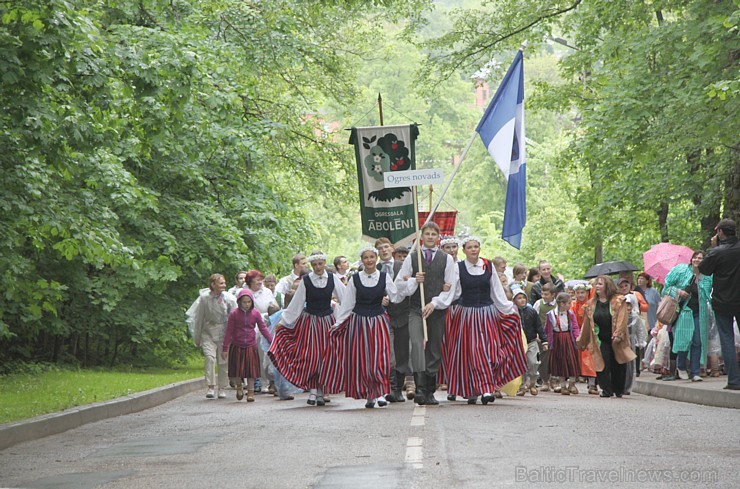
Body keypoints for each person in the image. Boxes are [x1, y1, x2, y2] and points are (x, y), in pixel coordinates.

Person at [440, 237, 527, 404]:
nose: (473, 250)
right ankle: (478, 389)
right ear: (464, 250)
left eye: (476, 246)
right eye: (470, 247)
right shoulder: (458, 268)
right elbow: (455, 293)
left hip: (487, 314)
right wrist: (441, 300)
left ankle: (486, 387)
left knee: (491, 350)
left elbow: (496, 291)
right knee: (471, 353)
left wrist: (509, 310)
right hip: (466, 316)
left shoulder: (488, 266)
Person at [322, 245, 403, 408]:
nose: (369, 260)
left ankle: (380, 391)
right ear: (362, 260)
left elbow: (396, 296)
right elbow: (347, 304)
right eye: (366, 258)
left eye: (372, 257)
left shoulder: (384, 277)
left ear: (376, 258)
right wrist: (338, 323)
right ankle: (369, 395)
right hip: (359, 323)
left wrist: (412, 283)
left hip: (378, 321)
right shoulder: (355, 279)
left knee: (380, 358)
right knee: (364, 359)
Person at [269, 251, 345, 406]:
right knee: (312, 356)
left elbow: (345, 298)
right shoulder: (306, 280)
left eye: (320, 264)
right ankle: (312, 390)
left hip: (327, 322)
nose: (317, 267)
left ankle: (322, 391)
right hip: (310, 322)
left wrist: (348, 317)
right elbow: (296, 303)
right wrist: (284, 322)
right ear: (311, 266)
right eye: (314, 264)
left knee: (325, 357)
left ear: (324, 263)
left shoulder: (333, 279)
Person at [395, 221, 456, 406]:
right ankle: (420, 387)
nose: (430, 237)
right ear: (422, 236)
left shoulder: (447, 259)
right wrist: (414, 280)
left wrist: (435, 302)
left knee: (434, 348)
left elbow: (450, 287)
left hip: (436, 311)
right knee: (416, 343)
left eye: (433, 234)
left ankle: (430, 390)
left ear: (438, 237)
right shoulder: (412, 258)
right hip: (416, 309)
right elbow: (400, 285)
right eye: (427, 233)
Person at [577, 275, 635, 398]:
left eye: (600, 284)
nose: (597, 286)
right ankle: (606, 389)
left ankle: (618, 389)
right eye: (596, 284)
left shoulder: (619, 300)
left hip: (615, 337)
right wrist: (582, 340)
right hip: (599, 338)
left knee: (618, 363)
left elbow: (622, 318)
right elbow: (587, 324)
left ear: (607, 286)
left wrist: (618, 333)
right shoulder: (591, 304)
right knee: (602, 362)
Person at [699, 218, 740, 390]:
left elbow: (704, 269)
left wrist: (714, 248)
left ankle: (734, 380)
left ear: (720, 232)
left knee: (727, 339)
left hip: (723, 302)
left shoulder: (717, 252)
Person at [662, 251, 713, 382]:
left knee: (697, 341)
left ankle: (695, 372)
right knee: (684, 339)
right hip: (684, 311)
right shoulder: (680, 270)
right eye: (695, 257)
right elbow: (666, 288)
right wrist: (679, 291)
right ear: (691, 259)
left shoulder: (707, 276)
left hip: (699, 312)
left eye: (700, 258)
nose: (697, 260)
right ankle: (681, 366)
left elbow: (708, 294)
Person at [222, 289, 273, 402]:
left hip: (250, 344)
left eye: (249, 302)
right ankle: (239, 387)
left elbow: (262, 328)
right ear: (239, 302)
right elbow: (229, 331)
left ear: (252, 302)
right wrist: (225, 348)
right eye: (244, 302)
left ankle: (251, 392)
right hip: (237, 345)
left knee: (251, 370)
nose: (246, 304)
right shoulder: (234, 314)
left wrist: (271, 340)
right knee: (238, 370)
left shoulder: (255, 313)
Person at [192, 274, 237, 399]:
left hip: (224, 332)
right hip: (208, 332)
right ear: (213, 284)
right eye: (221, 283)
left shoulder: (229, 298)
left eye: (224, 283)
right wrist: (197, 337)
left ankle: (222, 387)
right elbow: (199, 319)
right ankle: (210, 386)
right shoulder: (204, 299)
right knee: (210, 357)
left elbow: (235, 318)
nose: (224, 285)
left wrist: (234, 336)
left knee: (223, 361)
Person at [375, 238, 408, 403]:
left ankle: (398, 389)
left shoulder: (402, 267)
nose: (384, 250)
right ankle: (391, 387)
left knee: (402, 353)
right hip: (383, 317)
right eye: (380, 248)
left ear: (392, 248)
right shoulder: (373, 268)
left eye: (386, 247)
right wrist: (379, 299)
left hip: (403, 314)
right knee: (389, 354)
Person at [544, 293, 581, 395]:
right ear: (562, 304)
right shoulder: (551, 314)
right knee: (560, 362)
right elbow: (547, 328)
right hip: (557, 339)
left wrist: (577, 338)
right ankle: (563, 385)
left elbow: (574, 326)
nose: (570, 304)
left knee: (571, 361)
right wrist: (544, 339)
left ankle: (572, 383)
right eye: (569, 303)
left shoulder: (570, 314)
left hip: (568, 338)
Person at [513, 287, 547, 396]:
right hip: (518, 343)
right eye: (519, 298)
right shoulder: (512, 312)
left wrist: (544, 340)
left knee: (533, 362)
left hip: (531, 341)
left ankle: (532, 382)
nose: (522, 300)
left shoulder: (531, 311)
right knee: (521, 364)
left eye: (524, 297)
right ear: (514, 300)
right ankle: (523, 386)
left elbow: (539, 326)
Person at [617, 278, 647, 393]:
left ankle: (628, 385)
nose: (628, 308)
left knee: (631, 365)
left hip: (631, 341)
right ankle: (620, 384)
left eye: (626, 285)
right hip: (621, 341)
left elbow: (640, 329)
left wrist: (640, 341)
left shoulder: (635, 317)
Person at [571, 283, 598, 394]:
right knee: (573, 359)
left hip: (589, 335)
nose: (580, 295)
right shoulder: (573, 305)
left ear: (587, 293)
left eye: (583, 292)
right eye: (578, 293)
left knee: (590, 360)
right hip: (576, 335)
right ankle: (571, 383)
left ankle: (592, 384)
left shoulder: (591, 304)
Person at [533, 282, 558, 392]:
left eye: (546, 294)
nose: (543, 296)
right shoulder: (539, 304)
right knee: (544, 358)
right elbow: (534, 318)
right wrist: (536, 333)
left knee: (556, 357)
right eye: (542, 293)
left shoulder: (557, 304)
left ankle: (554, 380)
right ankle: (545, 380)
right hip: (543, 334)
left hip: (555, 333)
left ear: (553, 294)